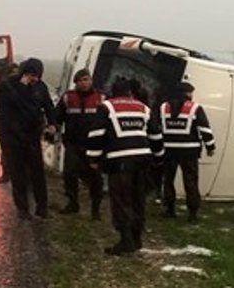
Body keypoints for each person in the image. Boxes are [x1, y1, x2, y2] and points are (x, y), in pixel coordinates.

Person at [86, 78, 163, 255]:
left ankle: (125, 241)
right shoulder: (143, 107)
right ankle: (137, 239)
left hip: (118, 162)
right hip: (142, 161)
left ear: (113, 92)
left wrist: (93, 159)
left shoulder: (106, 107)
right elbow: (155, 134)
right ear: (130, 92)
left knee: (121, 201)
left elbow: (96, 135)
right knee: (138, 200)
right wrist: (158, 158)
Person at [0, 58, 56, 219]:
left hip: (31, 135)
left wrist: (52, 123)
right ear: (24, 73)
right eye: (31, 75)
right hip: (11, 137)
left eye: (37, 76)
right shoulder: (6, 86)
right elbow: (6, 104)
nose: (34, 79)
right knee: (18, 173)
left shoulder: (40, 87)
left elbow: (48, 106)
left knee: (37, 172)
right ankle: (22, 209)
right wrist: (22, 88)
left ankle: (42, 208)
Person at [159, 82, 215, 224]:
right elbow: (204, 129)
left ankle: (170, 209)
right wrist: (210, 146)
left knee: (168, 180)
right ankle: (192, 213)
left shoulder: (164, 107)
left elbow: (158, 127)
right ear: (187, 93)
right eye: (191, 92)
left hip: (169, 150)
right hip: (189, 151)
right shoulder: (195, 108)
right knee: (190, 181)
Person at [55, 69, 105, 219]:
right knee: (69, 173)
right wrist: (53, 129)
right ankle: (72, 202)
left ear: (91, 80)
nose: (84, 83)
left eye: (87, 79)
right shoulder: (67, 98)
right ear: (76, 82)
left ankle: (95, 210)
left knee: (95, 177)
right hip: (73, 143)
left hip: (94, 145)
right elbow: (57, 118)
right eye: (81, 80)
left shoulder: (101, 98)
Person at [0, 62, 19, 184]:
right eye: (12, 73)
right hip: (5, 123)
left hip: (20, 125)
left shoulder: (24, 87)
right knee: (6, 150)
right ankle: (6, 173)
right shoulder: (2, 86)